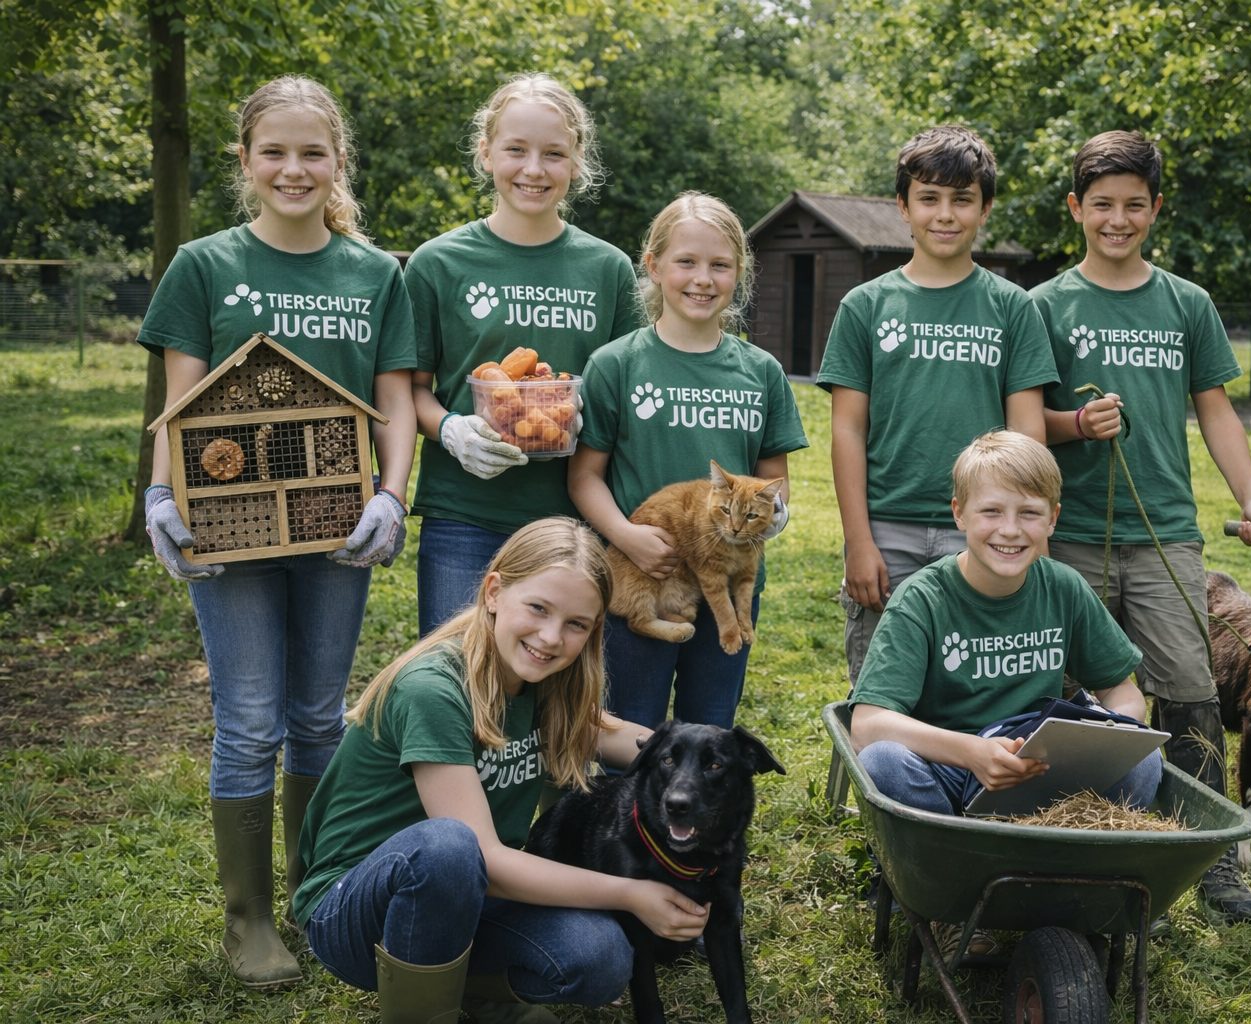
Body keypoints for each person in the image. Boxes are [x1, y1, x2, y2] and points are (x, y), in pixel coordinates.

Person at [139, 75, 417, 989]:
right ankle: (246, 919)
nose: (293, 169)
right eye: (274, 152)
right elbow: (181, 399)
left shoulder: (377, 273)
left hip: (338, 525)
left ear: (338, 162)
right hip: (230, 530)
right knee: (251, 720)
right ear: (246, 161)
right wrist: (161, 495)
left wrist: (393, 496)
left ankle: (318, 890)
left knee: (318, 718)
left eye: (312, 152)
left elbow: (394, 402)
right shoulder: (205, 265)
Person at [295, 518, 705, 1023]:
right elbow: (483, 856)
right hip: (357, 911)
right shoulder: (434, 689)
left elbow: (620, 737)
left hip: (469, 898)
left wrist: (705, 761)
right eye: (538, 608)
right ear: (493, 592)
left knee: (600, 959)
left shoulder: (546, 679)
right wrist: (632, 893)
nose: (551, 637)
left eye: (577, 624)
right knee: (448, 846)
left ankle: (469, 992)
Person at [1033, 129, 1251, 926]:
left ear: (1156, 210)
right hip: (1070, 533)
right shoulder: (1045, 305)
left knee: (1189, 688)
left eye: (1134, 205)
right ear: (1076, 208)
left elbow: (1215, 408)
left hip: (1167, 532)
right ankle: (1063, 834)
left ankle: (1208, 853)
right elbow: (1025, 417)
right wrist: (1075, 422)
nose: (1117, 218)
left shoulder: (1186, 302)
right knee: (1066, 687)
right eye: (1102, 204)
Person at [815, 124, 1059, 690]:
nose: (944, 214)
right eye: (929, 198)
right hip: (888, 527)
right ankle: (887, 779)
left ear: (985, 208)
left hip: (988, 527)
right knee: (886, 686)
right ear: (903, 206)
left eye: (961, 200)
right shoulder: (865, 306)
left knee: (981, 684)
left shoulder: (1013, 307)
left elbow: (1027, 434)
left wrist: (1032, 533)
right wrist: (859, 540)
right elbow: (848, 431)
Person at [408, 73, 643, 637]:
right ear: (486, 153)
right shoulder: (438, 263)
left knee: (556, 695)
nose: (533, 169)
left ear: (576, 162)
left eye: (553, 154)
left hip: (573, 518)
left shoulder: (608, 269)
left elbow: (628, 391)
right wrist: (453, 430)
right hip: (464, 512)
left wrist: (591, 418)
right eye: (516, 149)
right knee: (453, 680)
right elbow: (408, 387)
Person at [569, 191, 808, 729]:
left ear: (739, 273)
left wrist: (770, 520)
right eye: (687, 262)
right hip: (645, 574)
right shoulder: (616, 364)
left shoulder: (761, 371)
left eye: (720, 265)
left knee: (710, 725)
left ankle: (695, 817)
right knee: (629, 725)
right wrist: (628, 538)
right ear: (653, 266)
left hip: (732, 573)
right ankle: (623, 814)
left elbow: (777, 480)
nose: (703, 278)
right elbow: (585, 477)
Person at [848, 430, 1160, 821]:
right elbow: (866, 724)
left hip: (1042, 770)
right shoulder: (922, 599)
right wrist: (973, 753)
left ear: (1053, 519)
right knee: (884, 761)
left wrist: (1113, 736)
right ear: (959, 513)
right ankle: (950, 853)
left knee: (1145, 760)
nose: (1010, 530)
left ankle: (1074, 861)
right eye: (991, 512)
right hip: (949, 767)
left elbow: (1120, 690)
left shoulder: (1063, 588)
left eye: (1029, 513)